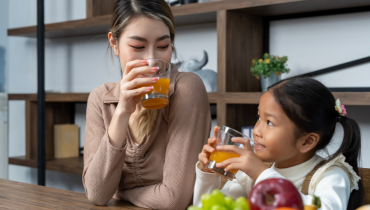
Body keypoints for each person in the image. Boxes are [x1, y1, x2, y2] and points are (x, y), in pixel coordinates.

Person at [83, 0, 211, 209]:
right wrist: (123, 111)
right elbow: (97, 195)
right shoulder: (100, 98)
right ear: (114, 44)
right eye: (138, 47)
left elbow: (174, 200)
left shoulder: (187, 88)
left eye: (163, 46)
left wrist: (120, 191)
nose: (152, 60)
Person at [194, 77, 364, 210]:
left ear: (307, 141)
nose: (256, 131)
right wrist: (208, 174)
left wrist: (262, 174)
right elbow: (205, 208)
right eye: (259, 117)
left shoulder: (330, 175)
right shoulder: (251, 174)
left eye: (269, 122)